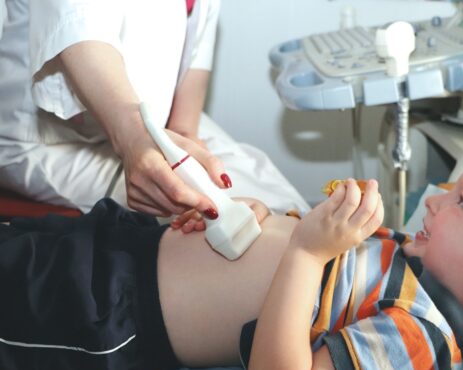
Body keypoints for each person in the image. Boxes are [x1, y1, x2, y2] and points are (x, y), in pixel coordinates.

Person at [1, 139, 463, 370]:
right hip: (127, 242)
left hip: (105, 308)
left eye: (462, 202)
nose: (437, 200)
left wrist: (306, 253)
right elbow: (305, 256)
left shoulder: (422, 339)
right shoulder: (407, 251)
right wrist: (263, 218)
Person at [0, 0, 308, 224]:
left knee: (268, 192)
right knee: (221, 213)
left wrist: (185, 152)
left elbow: (185, 122)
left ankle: (312, 260)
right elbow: (81, 34)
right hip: (44, 143)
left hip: (147, 126)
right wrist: (139, 142)